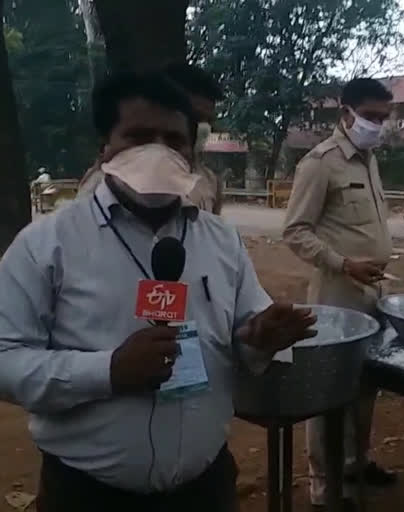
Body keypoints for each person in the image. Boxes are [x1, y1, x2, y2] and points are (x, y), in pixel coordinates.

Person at [0, 71, 316, 512]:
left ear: (190, 153)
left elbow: (247, 328)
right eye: (138, 136)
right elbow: (6, 359)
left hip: (206, 489)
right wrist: (108, 370)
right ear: (104, 148)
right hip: (88, 495)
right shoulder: (45, 246)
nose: (157, 151)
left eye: (173, 139)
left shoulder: (221, 240)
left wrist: (259, 339)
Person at [283, 78, 396, 510]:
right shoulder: (320, 163)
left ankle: (354, 462)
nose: (377, 126)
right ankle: (323, 487)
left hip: (373, 289)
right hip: (337, 291)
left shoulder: (369, 161)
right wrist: (343, 263)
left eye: (384, 118)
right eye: (370, 116)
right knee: (327, 386)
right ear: (345, 114)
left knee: (364, 383)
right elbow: (295, 232)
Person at [78, 63, 225, 214]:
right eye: (197, 118)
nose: (203, 127)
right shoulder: (105, 181)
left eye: (209, 120)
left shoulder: (209, 180)